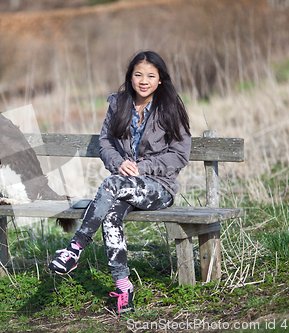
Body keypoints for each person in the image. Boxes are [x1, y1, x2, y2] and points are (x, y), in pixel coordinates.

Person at [49, 51, 192, 315]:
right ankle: (123, 286)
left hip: (158, 188)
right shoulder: (119, 104)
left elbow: (180, 155)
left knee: (112, 184)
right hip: (123, 183)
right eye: (138, 75)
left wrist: (141, 167)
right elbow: (105, 142)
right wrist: (119, 163)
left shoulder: (169, 107)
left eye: (151, 75)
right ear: (130, 77)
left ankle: (75, 247)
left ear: (160, 79)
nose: (144, 80)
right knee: (111, 215)